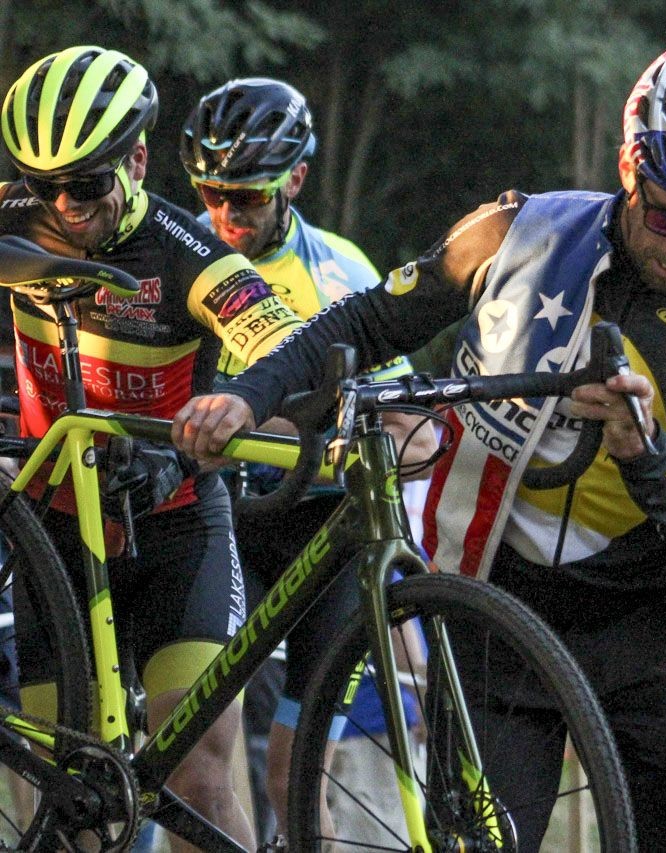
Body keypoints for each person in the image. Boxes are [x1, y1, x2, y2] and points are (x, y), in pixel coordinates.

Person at [172, 32, 666, 851]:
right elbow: (361, 319)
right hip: (502, 601)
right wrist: (249, 397)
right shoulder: (516, 233)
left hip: (656, 621)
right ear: (629, 168)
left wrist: (648, 459)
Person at [0, 46, 310, 851]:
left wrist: (245, 404)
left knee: (199, 779)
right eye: (44, 185)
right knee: (72, 804)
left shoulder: (188, 251)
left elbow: (283, 341)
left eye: (88, 183)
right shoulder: (11, 219)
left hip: (175, 526)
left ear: (136, 159)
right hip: (56, 537)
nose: (64, 206)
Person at [179, 76, 435, 843]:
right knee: (197, 766)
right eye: (211, 193)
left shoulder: (339, 274)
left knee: (294, 776)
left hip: (318, 535)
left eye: (247, 199)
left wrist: (313, 444)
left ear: (294, 179)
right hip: (218, 523)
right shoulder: (182, 251)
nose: (226, 216)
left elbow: (409, 434)